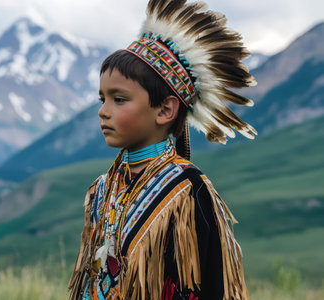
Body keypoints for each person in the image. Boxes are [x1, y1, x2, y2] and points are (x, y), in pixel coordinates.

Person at [69, 0, 256, 299]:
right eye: (101, 98)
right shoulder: (101, 191)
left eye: (119, 99)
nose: (103, 111)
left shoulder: (189, 192)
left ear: (165, 109)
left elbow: (210, 286)